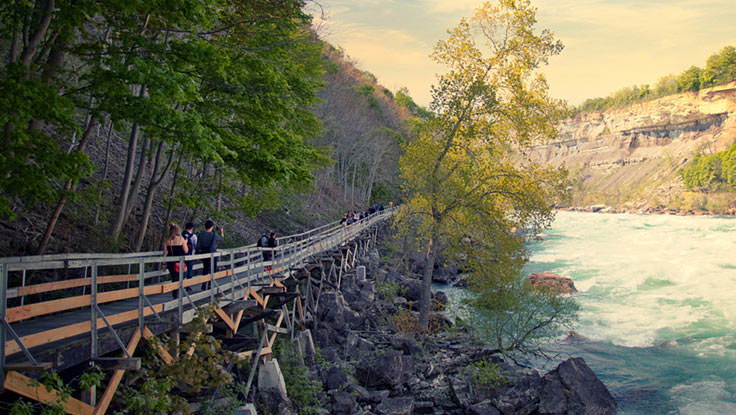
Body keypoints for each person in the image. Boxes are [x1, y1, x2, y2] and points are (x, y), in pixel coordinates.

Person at [196, 219, 224, 291]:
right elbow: (221, 239)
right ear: (211, 227)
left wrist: (197, 254)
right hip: (212, 254)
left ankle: (204, 284)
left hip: (204, 254)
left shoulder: (201, 234)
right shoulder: (213, 234)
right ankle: (210, 285)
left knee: (205, 269)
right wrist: (221, 231)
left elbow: (198, 245)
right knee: (212, 270)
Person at [163, 223, 188, 299]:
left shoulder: (167, 241)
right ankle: (176, 293)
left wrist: (163, 264)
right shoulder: (181, 239)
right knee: (179, 278)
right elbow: (186, 250)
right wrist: (185, 243)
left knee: (173, 278)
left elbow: (164, 253)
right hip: (179, 261)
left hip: (170, 261)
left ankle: (175, 293)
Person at [181, 222, 197, 291]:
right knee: (189, 271)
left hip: (181, 256)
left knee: (181, 271)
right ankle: (188, 286)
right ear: (192, 228)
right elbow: (196, 246)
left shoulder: (181, 235)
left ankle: (181, 285)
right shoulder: (193, 236)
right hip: (190, 256)